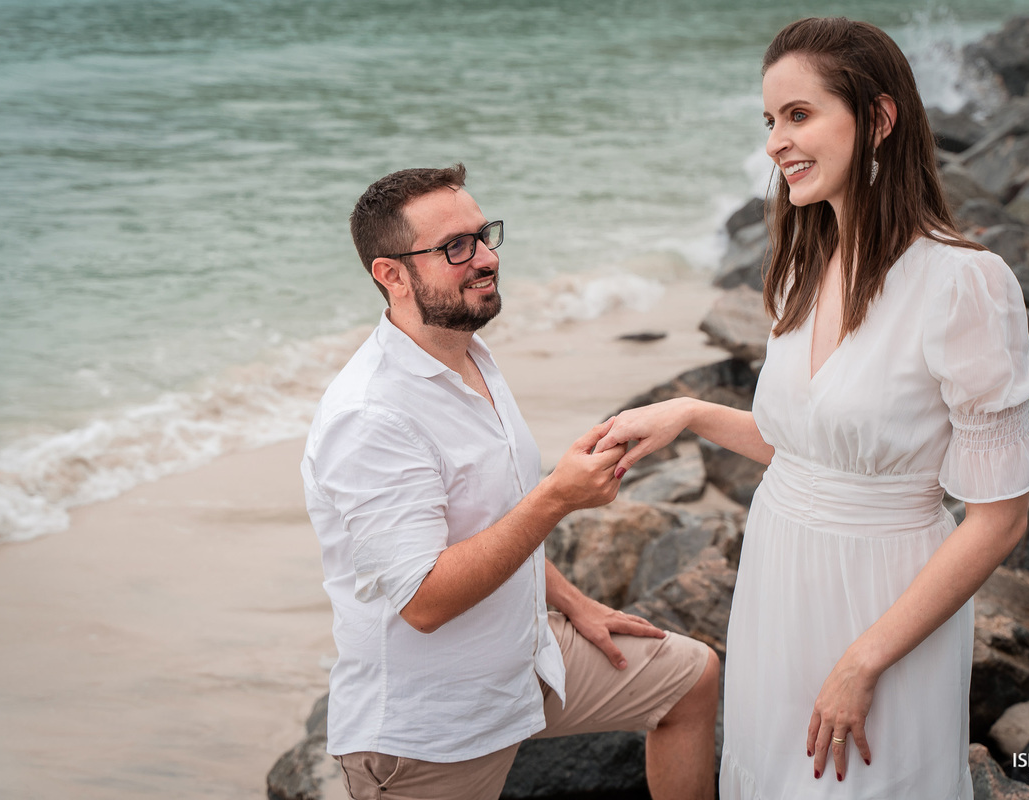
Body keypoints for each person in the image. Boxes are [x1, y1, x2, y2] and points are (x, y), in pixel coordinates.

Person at [593, 17, 1029, 800]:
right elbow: (812, 452)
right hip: (778, 577)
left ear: (878, 118)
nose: (776, 141)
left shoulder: (964, 283)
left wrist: (865, 659)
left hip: (882, 599)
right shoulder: (802, 265)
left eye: (798, 115)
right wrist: (694, 414)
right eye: (770, 121)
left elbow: (999, 517)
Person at [301, 164, 720, 800]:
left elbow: (487, 516)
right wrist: (556, 498)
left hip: (528, 662)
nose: (486, 258)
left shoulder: (467, 349)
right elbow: (424, 602)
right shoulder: (370, 416)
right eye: (454, 248)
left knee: (690, 678)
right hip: (431, 731)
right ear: (391, 275)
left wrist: (576, 604)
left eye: (484, 234)